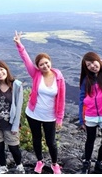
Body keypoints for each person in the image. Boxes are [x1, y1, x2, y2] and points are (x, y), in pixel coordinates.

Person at [14, 31, 65, 174]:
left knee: (51, 142)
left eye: (46, 62)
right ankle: (39, 161)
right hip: (33, 113)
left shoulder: (58, 77)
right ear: (38, 66)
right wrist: (19, 44)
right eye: (41, 64)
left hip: (50, 116)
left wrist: (59, 118)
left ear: (50, 62)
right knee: (36, 139)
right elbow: (26, 59)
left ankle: (55, 164)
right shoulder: (36, 74)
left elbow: (61, 99)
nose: (44, 65)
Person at [78, 52, 102, 174]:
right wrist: (82, 119)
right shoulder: (86, 80)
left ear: (98, 60)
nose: (92, 66)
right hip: (90, 115)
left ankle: (99, 163)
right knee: (90, 140)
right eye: (88, 65)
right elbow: (81, 99)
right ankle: (86, 162)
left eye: (93, 62)